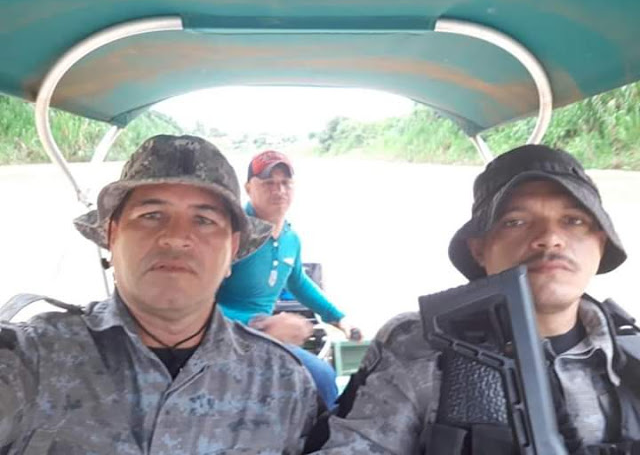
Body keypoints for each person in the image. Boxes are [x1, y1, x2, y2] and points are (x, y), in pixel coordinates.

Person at [0, 135, 319, 454]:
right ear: (112, 236)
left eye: (204, 220)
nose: (176, 237)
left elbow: (300, 282)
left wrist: (338, 318)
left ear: (232, 250)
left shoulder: (283, 383)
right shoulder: (32, 359)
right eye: (151, 215)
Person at [316, 145, 640, 454]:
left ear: (600, 242)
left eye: (573, 221)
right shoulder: (423, 347)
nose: (550, 239)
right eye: (516, 222)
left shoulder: (631, 357)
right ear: (479, 249)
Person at [217, 150, 359, 408]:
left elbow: (298, 281)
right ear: (248, 188)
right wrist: (262, 325)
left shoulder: (291, 239)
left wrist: (339, 318)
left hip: (263, 339)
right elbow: (196, 304)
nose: (279, 190)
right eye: (268, 183)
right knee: (321, 376)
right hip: (224, 339)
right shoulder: (230, 234)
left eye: (285, 183)